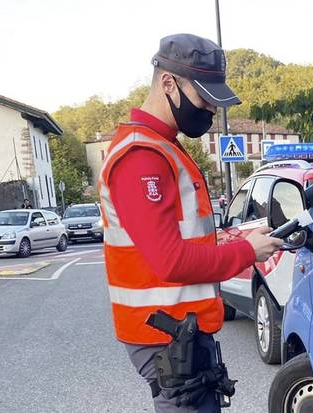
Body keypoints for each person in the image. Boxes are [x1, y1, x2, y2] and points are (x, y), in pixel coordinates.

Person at [98, 33, 283, 412]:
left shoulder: (162, 145)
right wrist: (247, 251)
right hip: (165, 337)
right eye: (204, 98)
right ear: (168, 83)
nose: (211, 111)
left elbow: (187, 238)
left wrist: (242, 240)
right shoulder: (141, 157)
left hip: (179, 331)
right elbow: (170, 261)